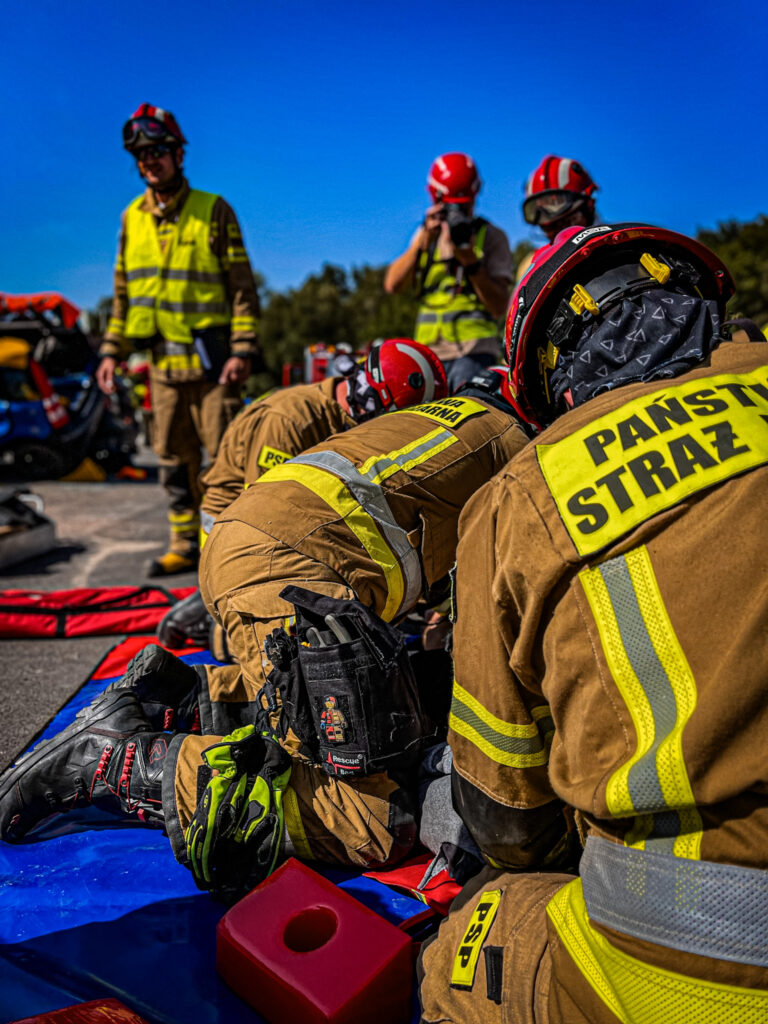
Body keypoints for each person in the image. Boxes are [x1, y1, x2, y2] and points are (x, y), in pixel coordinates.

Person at [418, 223, 768, 1021]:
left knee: (464, 943)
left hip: (710, 962)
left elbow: (506, 819)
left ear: (546, 373)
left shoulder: (520, 493)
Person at [0, 373, 530, 900]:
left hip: (265, 555)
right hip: (291, 576)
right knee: (369, 821)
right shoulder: (528, 460)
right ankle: (112, 761)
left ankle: (179, 702)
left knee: (370, 700)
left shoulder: (470, 423)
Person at [157, 338, 449, 652]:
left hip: (281, 515)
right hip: (234, 529)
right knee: (283, 643)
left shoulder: (344, 414)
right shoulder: (289, 421)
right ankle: (216, 625)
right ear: (373, 397)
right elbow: (263, 518)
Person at [96, 103, 260, 577]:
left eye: (159, 151)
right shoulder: (131, 219)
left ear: (179, 154)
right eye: (142, 155)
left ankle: (228, 548)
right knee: (171, 460)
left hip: (213, 368)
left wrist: (242, 350)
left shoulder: (213, 210)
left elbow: (242, 289)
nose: (150, 161)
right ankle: (184, 543)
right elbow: (123, 296)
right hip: (162, 369)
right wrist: (111, 352)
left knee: (226, 460)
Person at [384, 153, 515, 391]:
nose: (459, 213)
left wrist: (471, 264)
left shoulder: (492, 237)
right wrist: (422, 242)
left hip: (474, 352)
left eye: (464, 206)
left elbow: (499, 307)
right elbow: (393, 285)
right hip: (428, 355)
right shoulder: (425, 236)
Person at [515, 154, 599, 282]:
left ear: (589, 206)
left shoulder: (621, 242)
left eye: (564, 223)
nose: (557, 233)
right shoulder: (530, 266)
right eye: (548, 228)